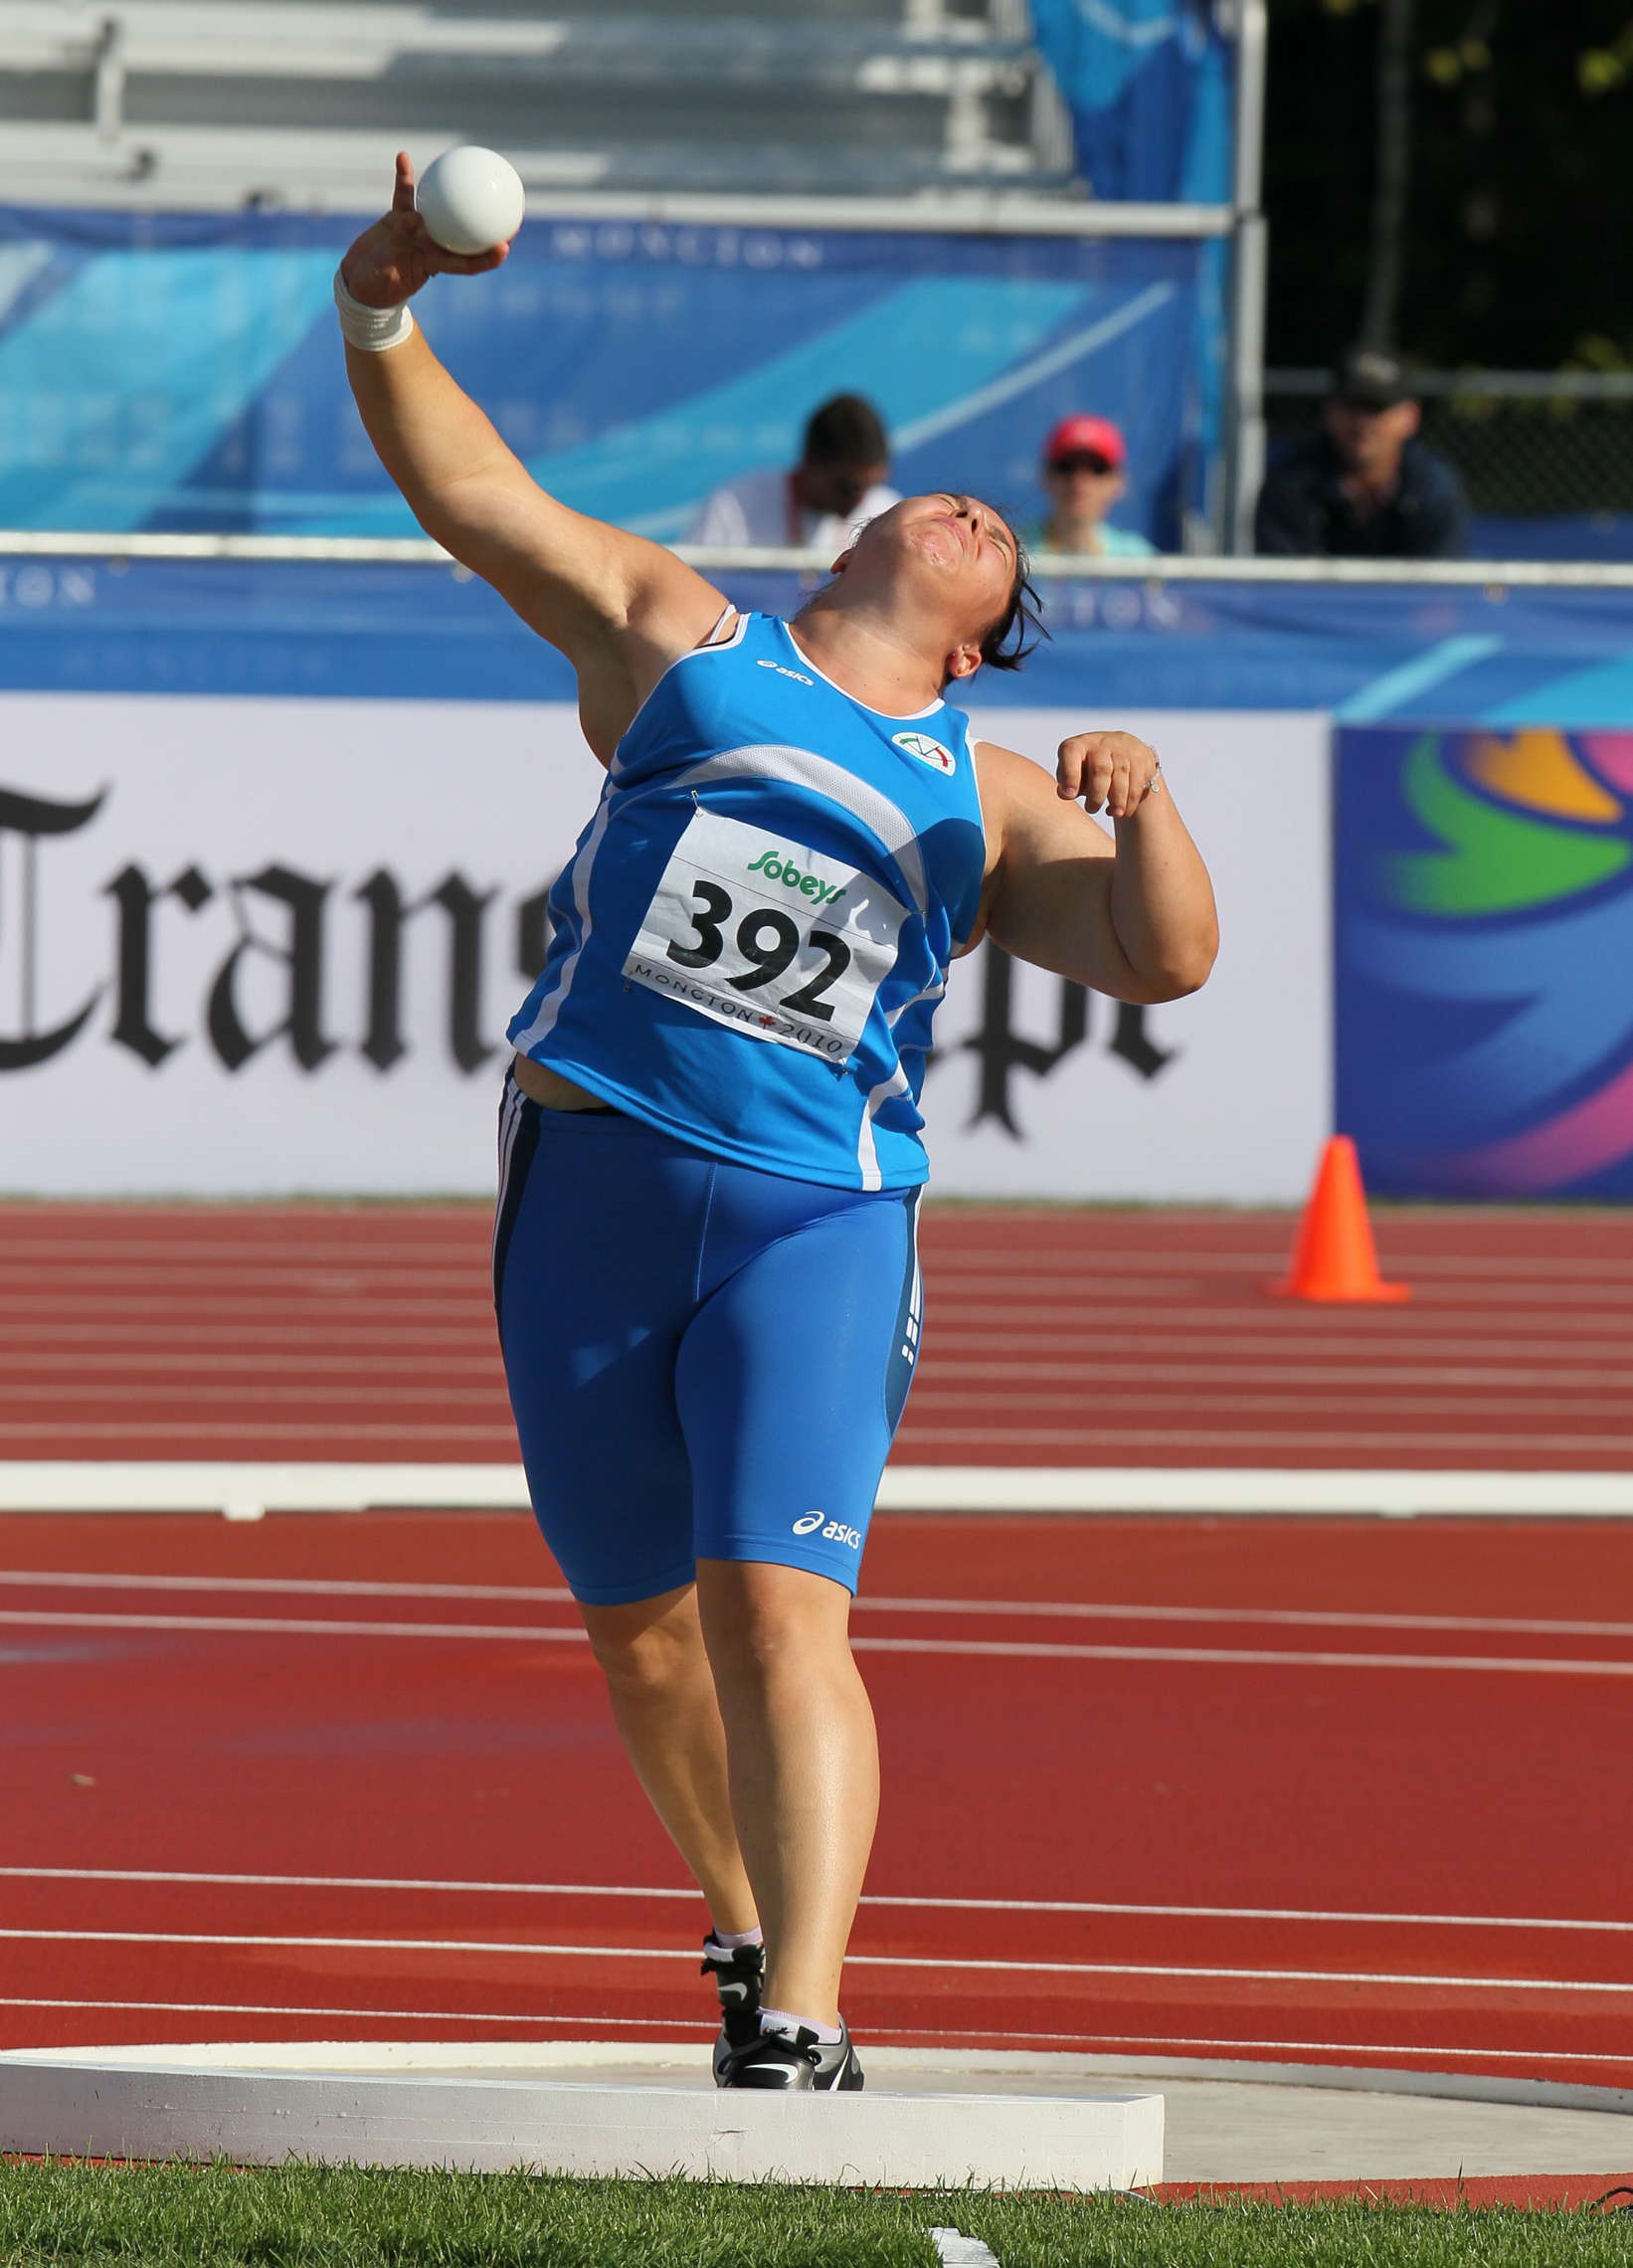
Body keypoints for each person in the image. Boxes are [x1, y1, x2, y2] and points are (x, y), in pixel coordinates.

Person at [336, 155, 1218, 2095]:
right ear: (858, 539)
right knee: (638, 1634)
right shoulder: (686, 638)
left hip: (816, 1219)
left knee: (775, 1608)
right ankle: (742, 1924)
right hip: (589, 1186)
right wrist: (379, 305)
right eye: (949, 498)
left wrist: (1148, 803)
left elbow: (1162, 962)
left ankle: (805, 2018)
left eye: (1003, 544)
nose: (975, 512)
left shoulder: (988, 789)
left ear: (979, 643)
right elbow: (476, 496)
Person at [1254, 346, 1468, 559]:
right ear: (1329, 410)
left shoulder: (1432, 487)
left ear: (1409, 417)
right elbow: (1283, 572)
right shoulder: (1290, 483)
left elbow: (1442, 573)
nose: (1363, 423)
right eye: (1352, 407)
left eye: (1377, 408)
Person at [688, 393, 900, 552]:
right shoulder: (732, 508)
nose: (861, 499)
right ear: (811, 461)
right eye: (850, 486)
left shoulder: (886, 514)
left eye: (871, 485)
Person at [1030, 414, 1157, 558]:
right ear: (1046, 476)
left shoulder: (1139, 558)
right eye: (1067, 467)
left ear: (1118, 481)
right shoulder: (1015, 553)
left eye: (1097, 469)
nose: (1080, 481)